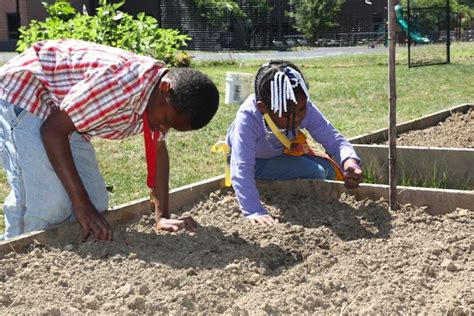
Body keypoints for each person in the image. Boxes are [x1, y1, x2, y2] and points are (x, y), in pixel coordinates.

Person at [0, 39, 219, 241]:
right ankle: (13, 253)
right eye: (166, 121)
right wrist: (80, 203)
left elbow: (159, 151)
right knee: (47, 204)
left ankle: (64, 245)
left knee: (95, 202)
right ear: (164, 88)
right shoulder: (121, 85)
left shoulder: (165, 101)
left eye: (171, 127)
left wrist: (162, 216)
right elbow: (52, 131)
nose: (163, 128)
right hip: (26, 94)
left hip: (62, 114)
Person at [225, 60, 362, 226]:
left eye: (302, 109)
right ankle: (262, 183)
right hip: (254, 162)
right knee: (316, 172)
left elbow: (333, 139)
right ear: (263, 108)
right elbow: (242, 165)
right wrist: (253, 210)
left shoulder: (300, 107)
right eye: (287, 113)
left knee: (330, 169)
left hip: (278, 154)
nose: (297, 117)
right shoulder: (248, 117)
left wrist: (350, 162)